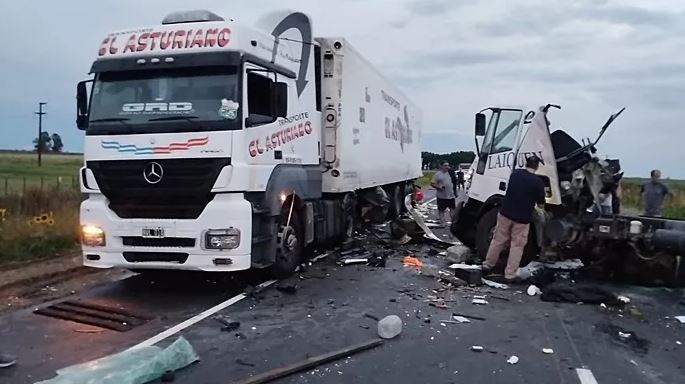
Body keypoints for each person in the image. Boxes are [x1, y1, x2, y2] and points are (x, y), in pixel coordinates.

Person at [482, 156, 546, 282]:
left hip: (505, 213)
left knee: (498, 240)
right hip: (522, 219)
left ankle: (487, 265)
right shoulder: (538, 182)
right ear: (537, 166)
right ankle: (510, 275)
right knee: (517, 246)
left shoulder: (515, 174)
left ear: (526, 163)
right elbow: (541, 204)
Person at [430, 161, 456, 226]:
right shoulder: (438, 174)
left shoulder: (451, 173)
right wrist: (438, 187)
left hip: (451, 195)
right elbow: (432, 183)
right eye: (445, 165)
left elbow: (454, 183)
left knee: (452, 210)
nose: (447, 167)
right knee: (441, 210)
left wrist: (456, 192)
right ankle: (443, 222)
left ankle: (453, 222)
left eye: (448, 165)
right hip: (441, 196)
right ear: (441, 166)